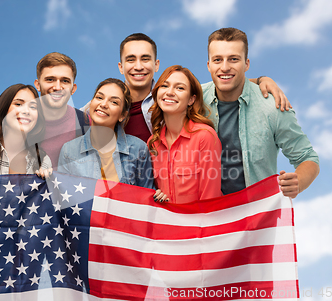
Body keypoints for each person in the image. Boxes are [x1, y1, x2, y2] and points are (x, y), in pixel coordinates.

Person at [203, 27, 319, 197]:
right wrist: (261, 79)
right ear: (209, 65)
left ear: (246, 64)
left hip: (259, 215)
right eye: (217, 60)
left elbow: (308, 158)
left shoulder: (273, 106)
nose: (225, 67)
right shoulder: (193, 99)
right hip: (208, 214)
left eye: (234, 59)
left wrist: (298, 182)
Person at [114, 33, 291, 143]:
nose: (138, 66)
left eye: (145, 59)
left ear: (156, 64)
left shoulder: (169, 97)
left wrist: (261, 80)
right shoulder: (103, 105)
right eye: (131, 59)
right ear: (121, 67)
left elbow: (224, 83)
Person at [58, 78, 154, 189]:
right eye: (99, 97)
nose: (103, 104)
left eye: (114, 102)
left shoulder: (138, 149)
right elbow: (63, 197)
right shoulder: (69, 150)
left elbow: (147, 198)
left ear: (122, 115)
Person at [149, 65, 221, 204]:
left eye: (180, 88)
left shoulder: (205, 137)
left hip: (199, 223)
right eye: (164, 86)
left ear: (191, 100)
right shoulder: (153, 143)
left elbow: (210, 198)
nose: (170, 92)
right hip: (166, 223)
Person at [34, 52, 90, 169]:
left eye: (65, 81)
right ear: (38, 85)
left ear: (73, 88)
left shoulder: (85, 123)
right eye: (50, 79)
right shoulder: (21, 122)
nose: (58, 87)